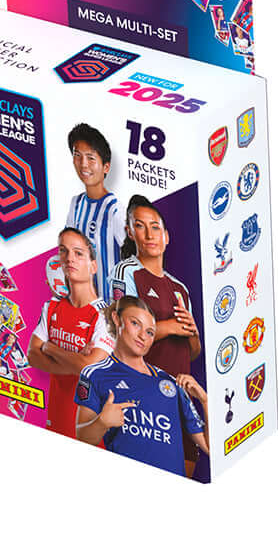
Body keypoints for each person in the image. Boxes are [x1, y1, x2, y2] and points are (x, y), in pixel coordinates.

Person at [108, 194, 203, 475]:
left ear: (167, 236)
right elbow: (123, 333)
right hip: (143, 393)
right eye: (140, 226)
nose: (150, 235)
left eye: (155, 227)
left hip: (180, 395)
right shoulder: (127, 271)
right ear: (130, 232)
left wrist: (192, 333)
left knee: (185, 471)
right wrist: (171, 326)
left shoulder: (180, 288)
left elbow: (192, 351)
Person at [74, 297, 208, 478]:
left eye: (150, 332)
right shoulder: (95, 374)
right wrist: (102, 422)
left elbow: (209, 447)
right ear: (116, 319)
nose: (143, 336)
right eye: (135, 324)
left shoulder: (169, 382)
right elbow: (82, 438)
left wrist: (204, 400)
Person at [28, 228, 115, 438]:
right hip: (54, 422)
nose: (69, 258)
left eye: (78, 253)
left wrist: (50, 348)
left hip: (90, 431)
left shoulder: (106, 315)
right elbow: (32, 355)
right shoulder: (51, 307)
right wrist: (76, 363)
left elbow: (89, 368)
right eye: (63, 251)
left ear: (93, 266)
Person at [65, 123, 126, 303]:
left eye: (91, 158)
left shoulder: (115, 210)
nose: (83, 164)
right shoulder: (76, 204)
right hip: (80, 304)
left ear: (106, 167)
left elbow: (134, 262)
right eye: (78, 155)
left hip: (108, 307)